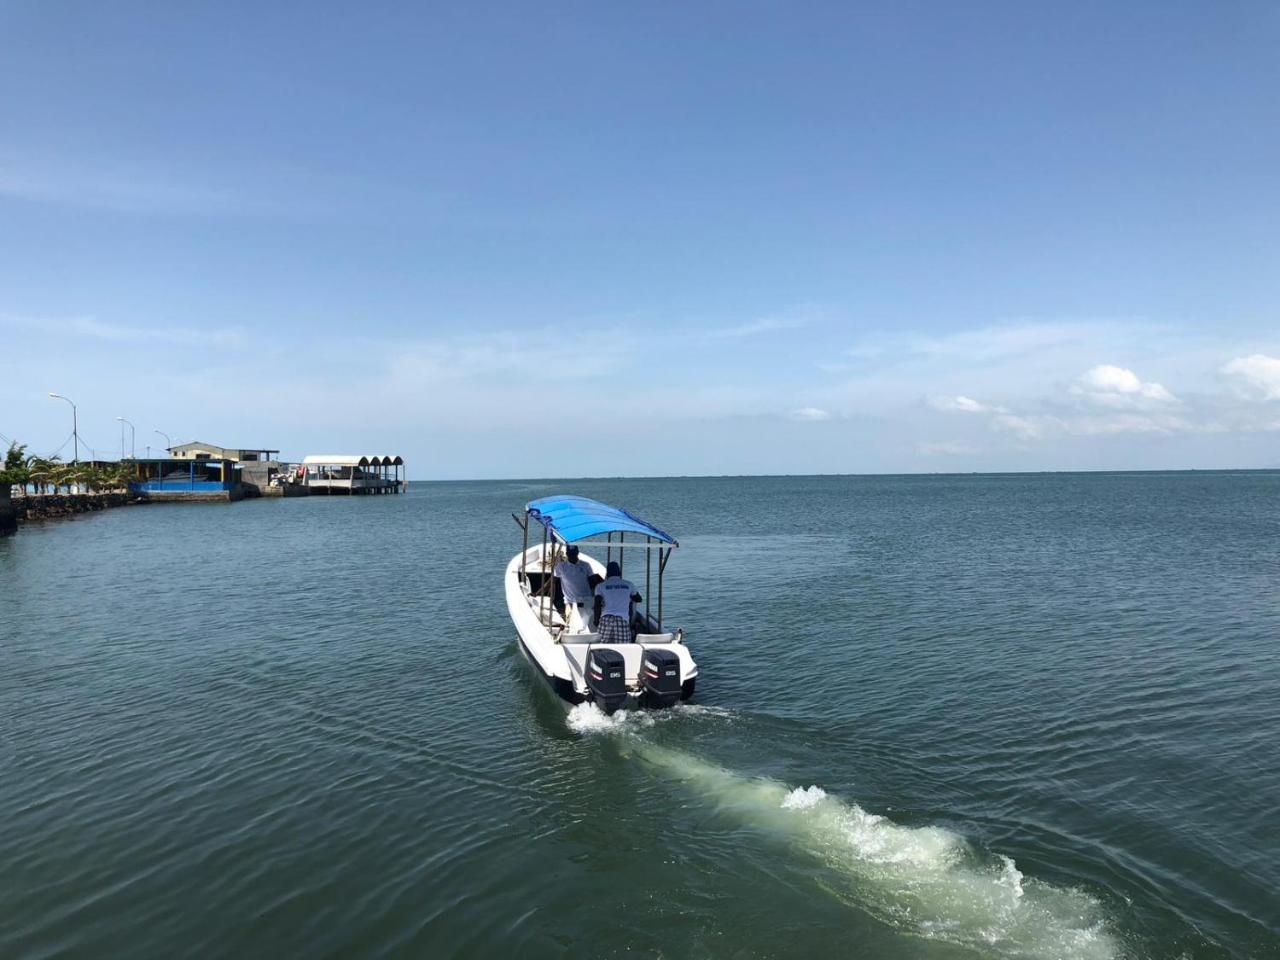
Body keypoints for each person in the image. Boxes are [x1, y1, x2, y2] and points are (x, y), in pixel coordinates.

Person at [593, 560, 642, 644]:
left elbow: (597, 604)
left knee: (601, 648)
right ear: (619, 572)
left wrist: (596, 621)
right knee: (624, 648)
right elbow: (639, 599)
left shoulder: (600, 586)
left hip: (606, 620)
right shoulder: (629, 584)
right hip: (622, 621)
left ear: (607, 574)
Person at [553, 545, 595, 632]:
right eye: (570, 554)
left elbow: (592, 582)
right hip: (570, 602)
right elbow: (552, 581)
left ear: (577, 553)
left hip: (586, 600)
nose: (572, 556)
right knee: (570, 623)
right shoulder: (561, 567)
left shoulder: (586, 565)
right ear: (567, 554)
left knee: (588, 623)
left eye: (574, 554)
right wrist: (539, 592)